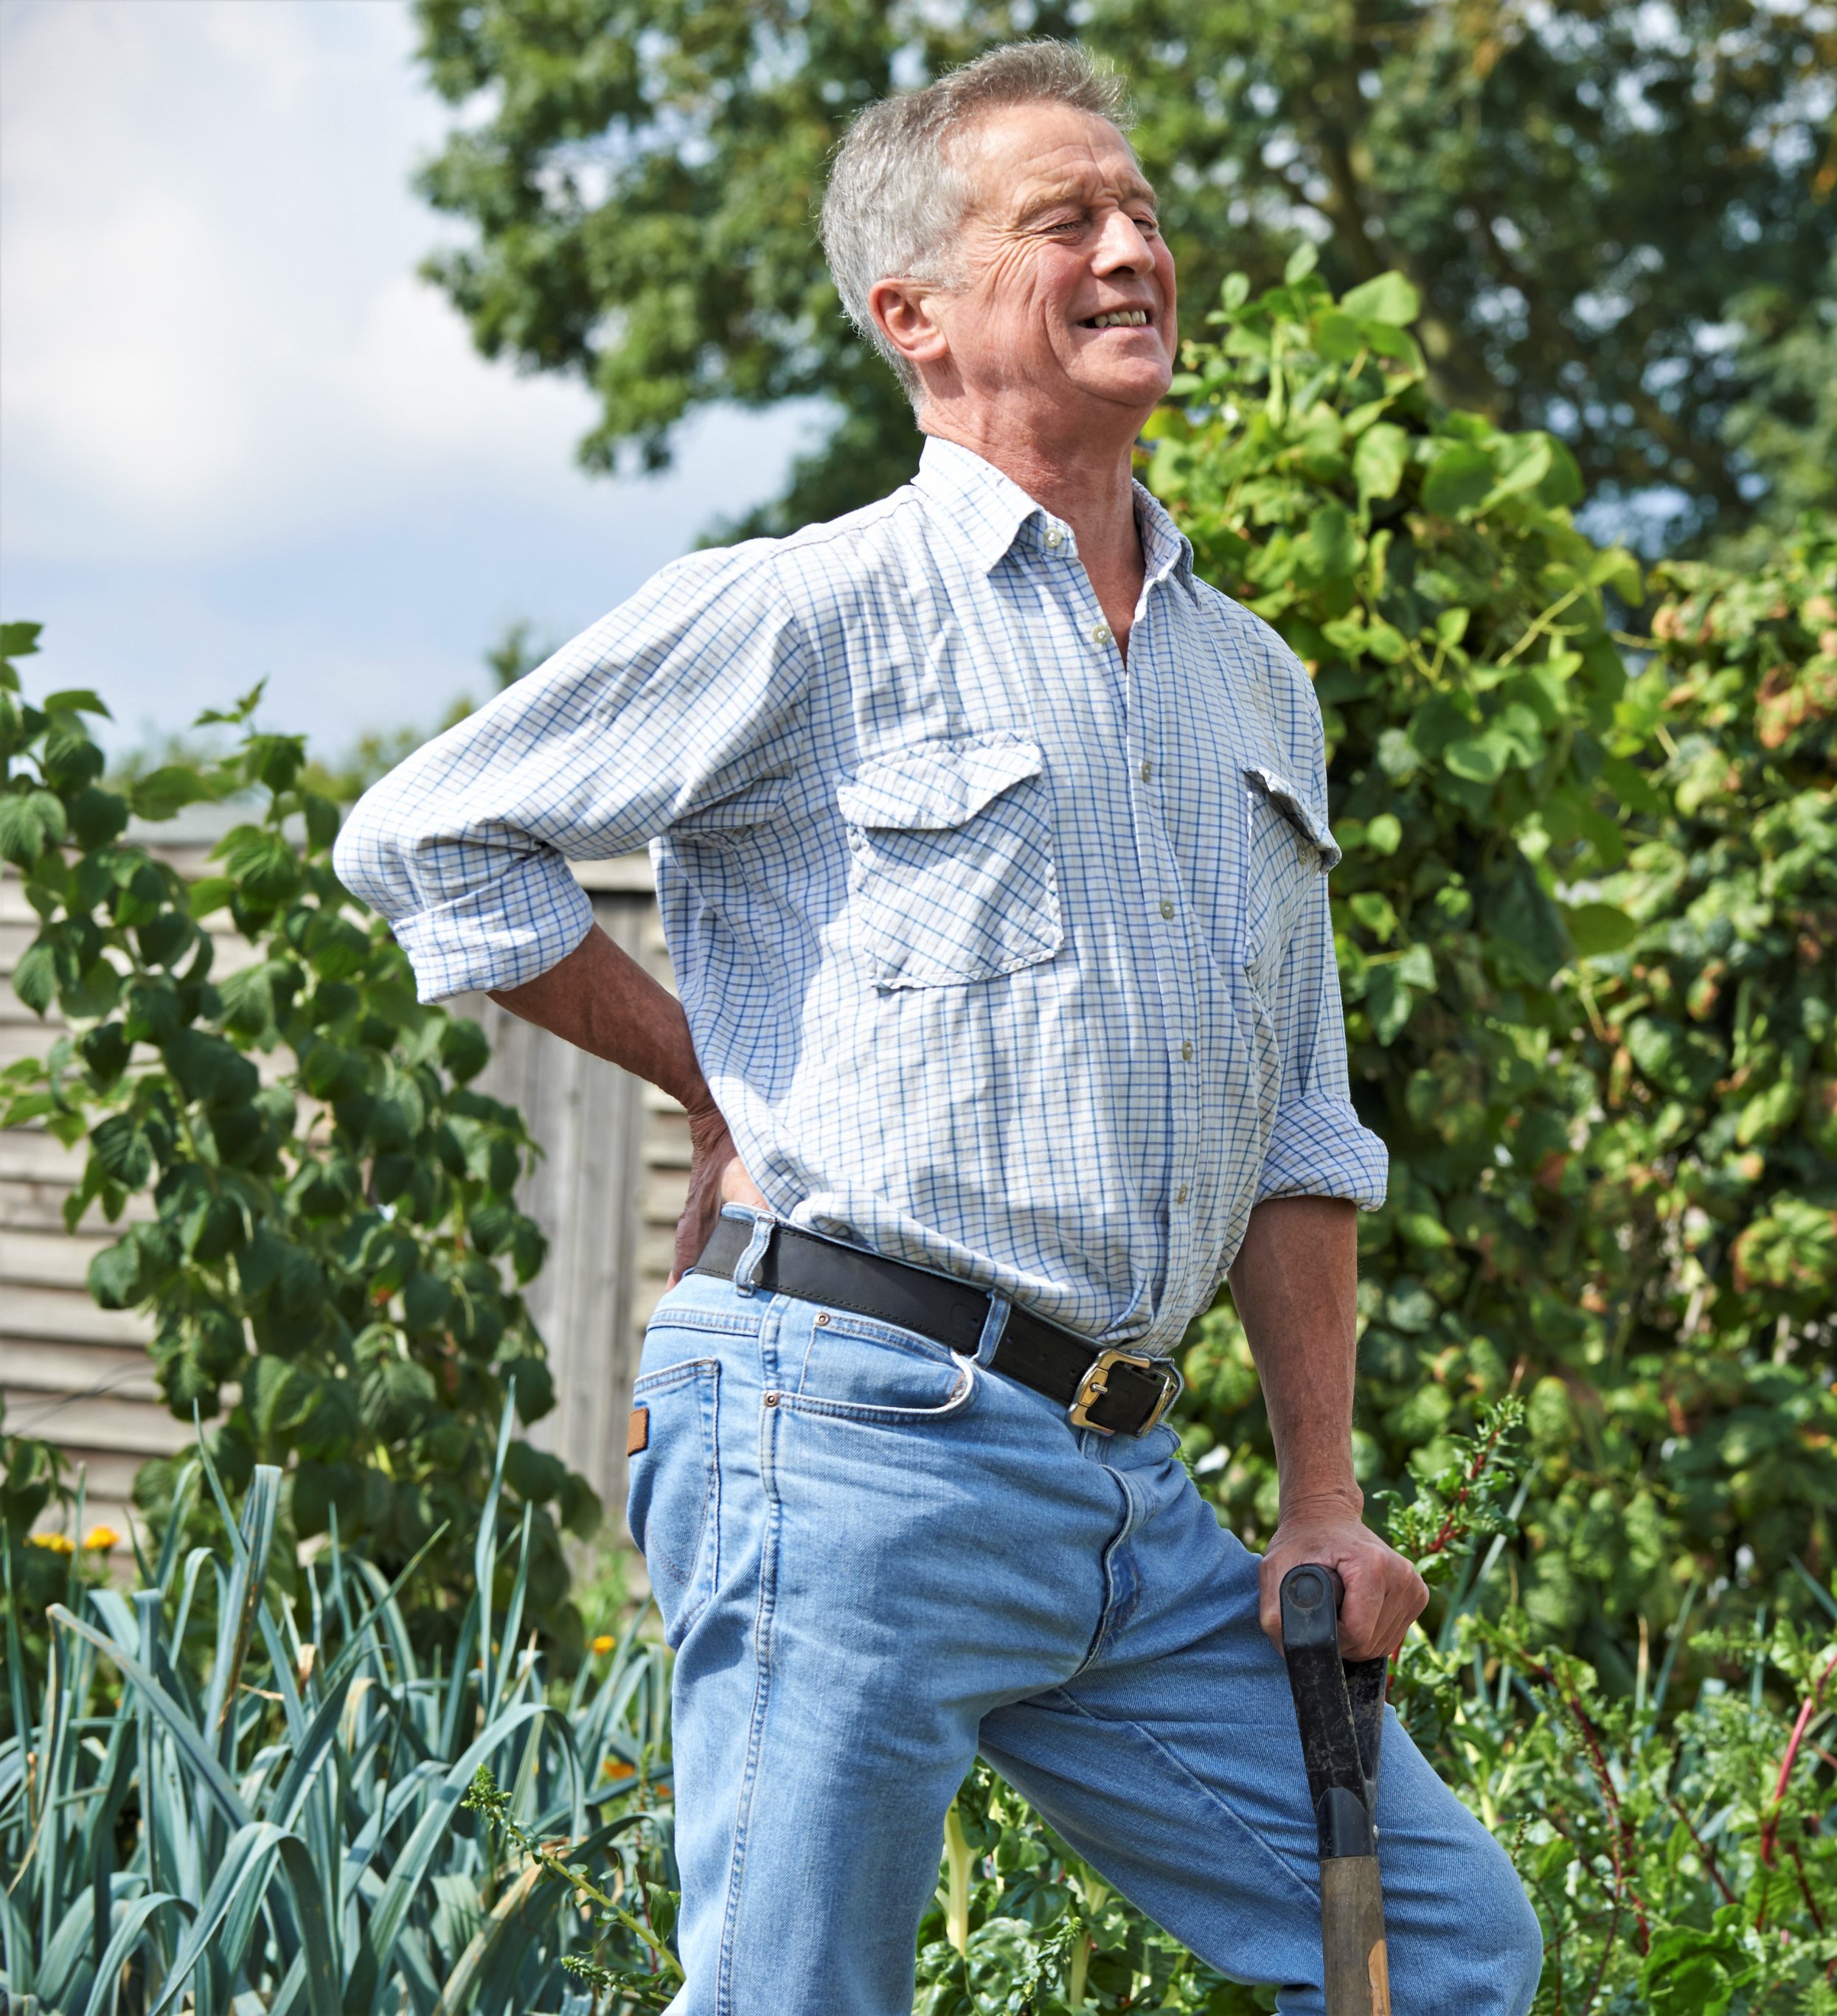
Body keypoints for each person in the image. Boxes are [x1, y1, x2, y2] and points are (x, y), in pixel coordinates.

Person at [336, 40, 1539, 2015]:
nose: (1136, 246)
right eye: (1066, 219)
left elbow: (1299, 1129)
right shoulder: (812, 612)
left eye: (1143, 209)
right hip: (849, 1430)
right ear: (912, 314)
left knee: (1441, 1954)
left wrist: (1321, 1496)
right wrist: (707, 1074)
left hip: (1130, 1497)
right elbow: (428, 841)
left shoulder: (1258, 686)